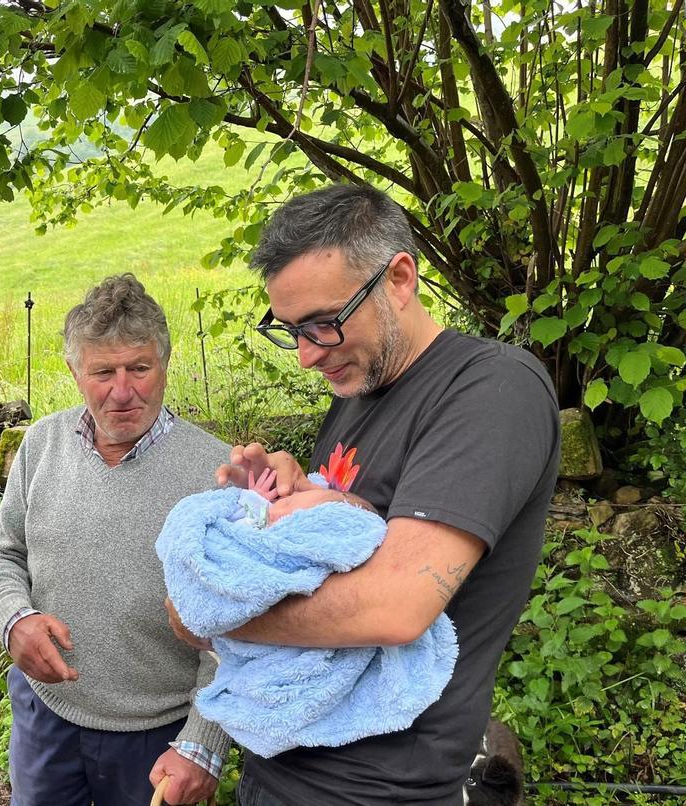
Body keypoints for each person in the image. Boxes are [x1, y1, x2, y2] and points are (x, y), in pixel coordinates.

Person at [166, 184, 560, 805]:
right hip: (282, 770)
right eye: (291, 330)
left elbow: (395, 606)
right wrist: (279, 505)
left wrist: (213, 611)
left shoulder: (491, 390)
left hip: (380, 790)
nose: (305, 356)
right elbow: (335, 539)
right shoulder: (358, 394)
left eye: (323, 323)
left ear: (399, 278)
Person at [0, 273, 232, 806]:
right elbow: (3, 552)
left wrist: (203, 741)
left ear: (164, 364)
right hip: (47, 713)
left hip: (158, 735)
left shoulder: (216, 472)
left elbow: (239, 628)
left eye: (139, 368)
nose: (123, 391)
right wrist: (13, 621)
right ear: (74, 372)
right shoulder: (42, 444)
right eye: (103, 372)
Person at [157, 466, 457, 759]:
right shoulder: (259, 511)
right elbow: (239, 533)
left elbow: (394, 608)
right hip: (275, 775)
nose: (281, 503)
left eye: (287, 501)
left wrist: (208, 618)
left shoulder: (331, 521)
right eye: (281, 500)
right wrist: (258, 501)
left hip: (368, 777)